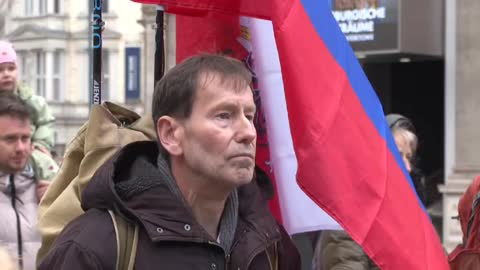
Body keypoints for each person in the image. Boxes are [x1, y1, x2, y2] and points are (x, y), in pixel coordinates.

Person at [38, 54, 301, 269]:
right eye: (224, 116)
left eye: (249, 116)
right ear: (170, 134)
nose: (248, 132)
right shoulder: (94, 246)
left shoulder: (271, 244)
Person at [312, 113, 424, 270]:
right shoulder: (350, 215)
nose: (408, 167)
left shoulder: (412, 215)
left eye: (409, 157)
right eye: (398, 155)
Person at [0, 93, 49, 270]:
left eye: (25, 138)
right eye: (10, 139)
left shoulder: (45, 191)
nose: (20, 148)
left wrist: (57, 205)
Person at [0, 41, 57, 180]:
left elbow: (45, 123)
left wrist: (40, 144)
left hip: (30, 149)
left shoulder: (32, 100)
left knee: (43, 163)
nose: (6, 74)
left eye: (11, 68)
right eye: (0, 70)